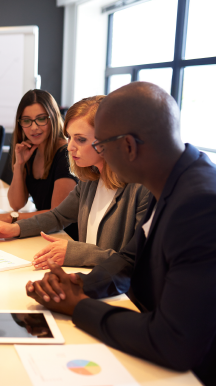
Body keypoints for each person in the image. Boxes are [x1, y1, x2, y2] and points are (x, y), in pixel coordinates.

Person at [24, 82, 216, 385]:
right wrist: (78, 285)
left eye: (101, 146)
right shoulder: (173, 178)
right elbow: (131, 258)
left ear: (127, 146)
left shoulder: (199, 205)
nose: (98, 155)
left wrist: (80, 307)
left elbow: (175, 342)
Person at [0, 96, 150, 268]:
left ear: (108, 139)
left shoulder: (142, 189)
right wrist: (16, 229)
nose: (70, 147)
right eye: (69, 137)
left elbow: (136, 261)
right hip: (88, 279)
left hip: (117, 292)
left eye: (81, 139)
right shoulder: (90, 179)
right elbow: (58, 216)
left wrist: (74, 253)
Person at [0, 90, 78, 239]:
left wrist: (10, 217)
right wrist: (19, 165)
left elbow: (57, 214)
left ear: (53, 118)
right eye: (27, 120)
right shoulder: (31, 150)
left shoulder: (65, 155)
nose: (34, 127)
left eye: (41, 119)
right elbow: (16, 203)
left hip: (64, 236)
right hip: (41, 231)